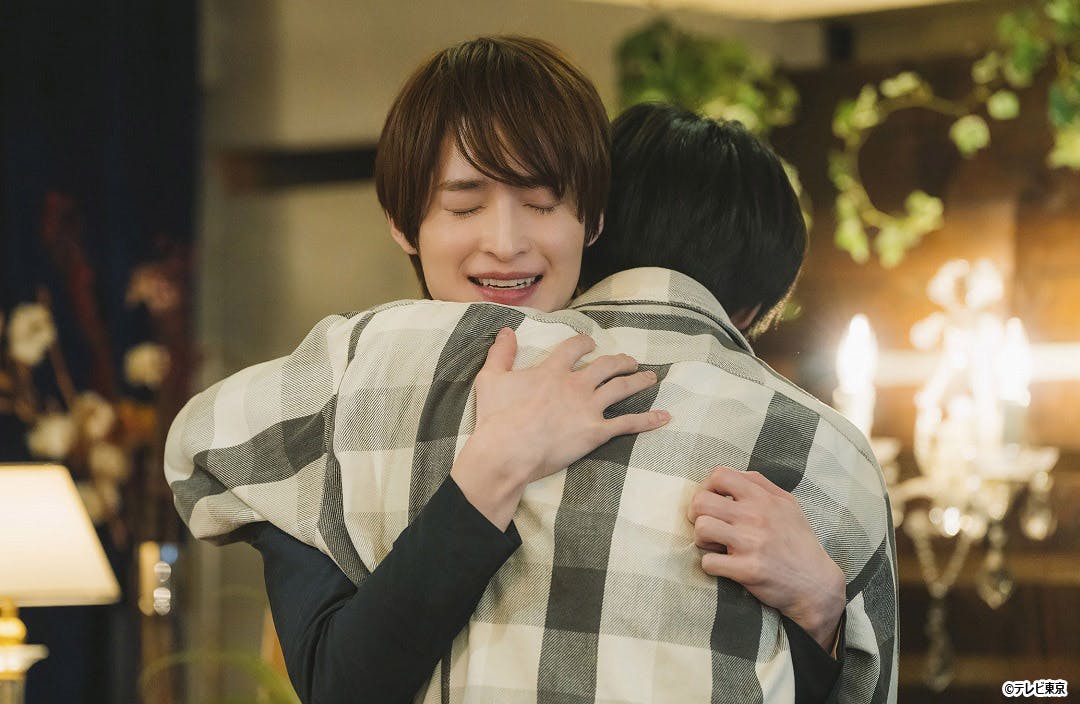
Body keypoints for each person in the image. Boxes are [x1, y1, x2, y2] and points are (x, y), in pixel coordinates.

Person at [166, 37, 887, 703]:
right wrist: (494, 467)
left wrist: (820, 606)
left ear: (592, 222)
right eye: (464, 206)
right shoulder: (348, 390)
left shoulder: (698, 415)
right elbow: (342, 688)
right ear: (403, 221)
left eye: (540, 203)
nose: (506, 243)